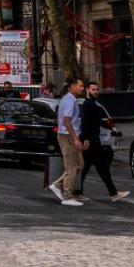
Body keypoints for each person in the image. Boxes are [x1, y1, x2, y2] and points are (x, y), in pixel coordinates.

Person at [78, 82, 129, 202]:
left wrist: (111, 128)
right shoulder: (88, 105)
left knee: (88, 167)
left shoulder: (92, 104)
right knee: (97, 167)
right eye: (93, 89)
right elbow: (84, 123)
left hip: (92, 139)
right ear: (87, 90)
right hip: (91, 140)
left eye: (97, 89)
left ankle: (76, 191)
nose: (96, 91)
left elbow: (99, 121)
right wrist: (86, 139)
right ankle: (113, 193)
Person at [49, 78, 86, 206]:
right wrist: (75, 138)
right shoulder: (69, 100)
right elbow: (66, 120)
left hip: (68, 135)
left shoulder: (69, 99)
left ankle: (58, 185)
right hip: (67, 136)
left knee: (80, 164)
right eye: (80, 86)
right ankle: (67, 196)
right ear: (73, 86)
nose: (82, 88)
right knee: (72, 167)